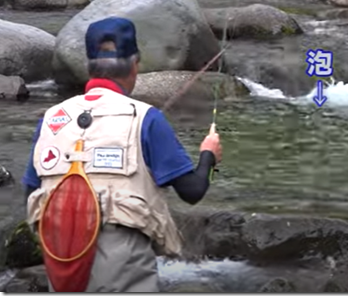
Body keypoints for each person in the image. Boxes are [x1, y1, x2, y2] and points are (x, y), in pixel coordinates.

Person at [21, 16, 223, 292]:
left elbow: (30, 192)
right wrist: (209, 157)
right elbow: (192, 191)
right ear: (135, 64)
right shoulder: (147, 118)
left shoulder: (51, 118)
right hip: (121, 261)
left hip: (60, 258)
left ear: (89, 67)